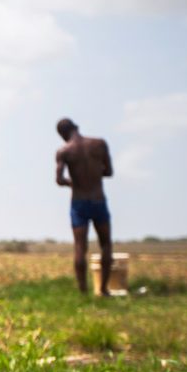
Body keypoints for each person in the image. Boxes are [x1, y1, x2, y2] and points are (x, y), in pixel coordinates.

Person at [54, 117, 114, 295]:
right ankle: (103, 289)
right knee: (106, 244)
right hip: (98, 199)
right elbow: (109, 172)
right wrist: (94, 175)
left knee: (80, 247)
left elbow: (59, 179)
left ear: (63, 135)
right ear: (75, 127)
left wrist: (72, 183)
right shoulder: (99, 144)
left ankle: (83, 291)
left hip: (79, 202)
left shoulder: (64, 151)